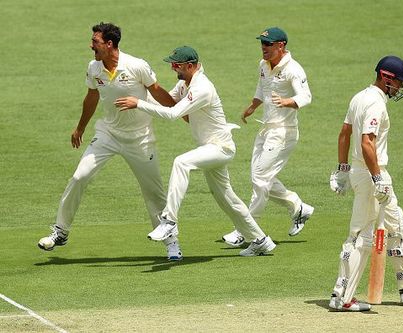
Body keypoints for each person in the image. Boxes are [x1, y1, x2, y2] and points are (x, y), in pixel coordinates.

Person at [37, 22, 183, 261]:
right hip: (108, 135)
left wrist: (179, 110)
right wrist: (80, 127)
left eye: (95, 41)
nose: (91, 45)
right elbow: (91, 97)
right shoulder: (94, 68)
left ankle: (172, 243)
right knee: (79, 176)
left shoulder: (137, 65)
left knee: (154, 194)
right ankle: (60, 231)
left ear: (109, 44)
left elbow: (156, 91)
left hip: (140, 139)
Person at [114, 46, 276, 257]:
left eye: (177, 65)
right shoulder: (185, 83)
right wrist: (138, 91)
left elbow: (173, 114)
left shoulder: (202, 88)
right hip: (209, 148)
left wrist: (139, 104)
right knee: (227, 198)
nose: (174, 69)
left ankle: (169, 220)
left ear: (190, 66)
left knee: (182, 162)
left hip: (221, 148)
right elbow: (163, 100)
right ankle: (261, 240)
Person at [328, 56, 403, 311]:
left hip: (361, 172)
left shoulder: (359, 97)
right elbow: (367, 142)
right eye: (399, 82)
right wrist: (378, 179)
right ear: (387, 78)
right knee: (361, 236)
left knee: (399, 228)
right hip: (372, 175)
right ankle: (342, 297)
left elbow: (345, 134)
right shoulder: (375, 103)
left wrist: (343, 170)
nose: (400, 87)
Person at [222, 27, 314, 247]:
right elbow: (262, 88)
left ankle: (246, 229)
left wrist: (287, 102)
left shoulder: (294, 69)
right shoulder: (263, 65)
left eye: (268, 44)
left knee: (260, 179)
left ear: (281, 45)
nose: (264, 48)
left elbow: (306, 96)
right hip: (266, 129)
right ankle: (298, 208)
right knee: (260, 178)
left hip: (284, 132)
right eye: (262, 44)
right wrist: (252, 106)